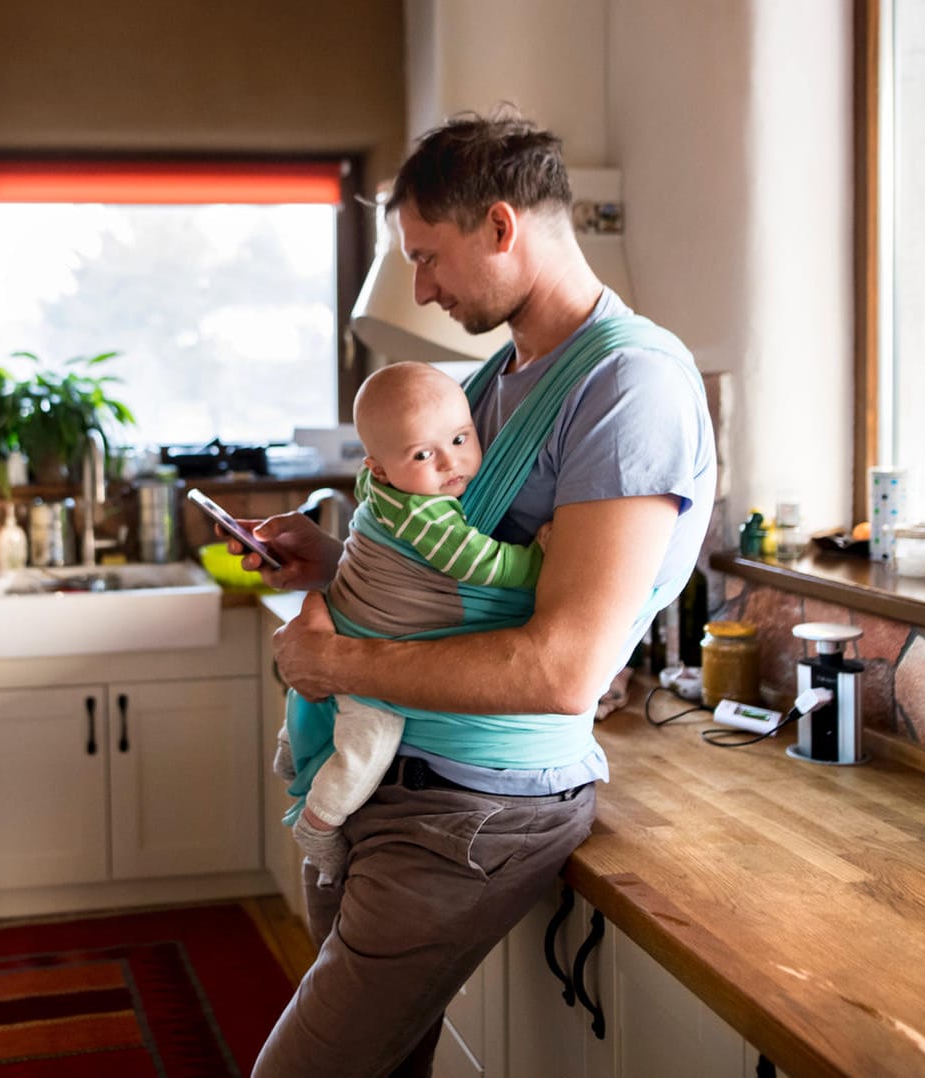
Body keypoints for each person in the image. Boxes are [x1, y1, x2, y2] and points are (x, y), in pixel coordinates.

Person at [239, 111, 717, 1077]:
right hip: (402, 783)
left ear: (502, 227)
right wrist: (334, 565)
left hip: (473, 804)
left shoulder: (629, 387)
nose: (419, 288)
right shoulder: (503, 375)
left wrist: (335, 659)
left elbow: (561, 668)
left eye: (428, 257)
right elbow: (461, 574)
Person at [280, 362, 549, 887]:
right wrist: (544, 562)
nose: (451, 463)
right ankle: (319, 823)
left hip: (347, 615)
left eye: (460, 438)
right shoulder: (426, 515)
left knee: (315, 703)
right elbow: (483, 565)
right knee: (367, 747)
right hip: (370, 644)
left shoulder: (382, 486)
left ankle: (292, 753)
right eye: (424, 454)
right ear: (378, 469)